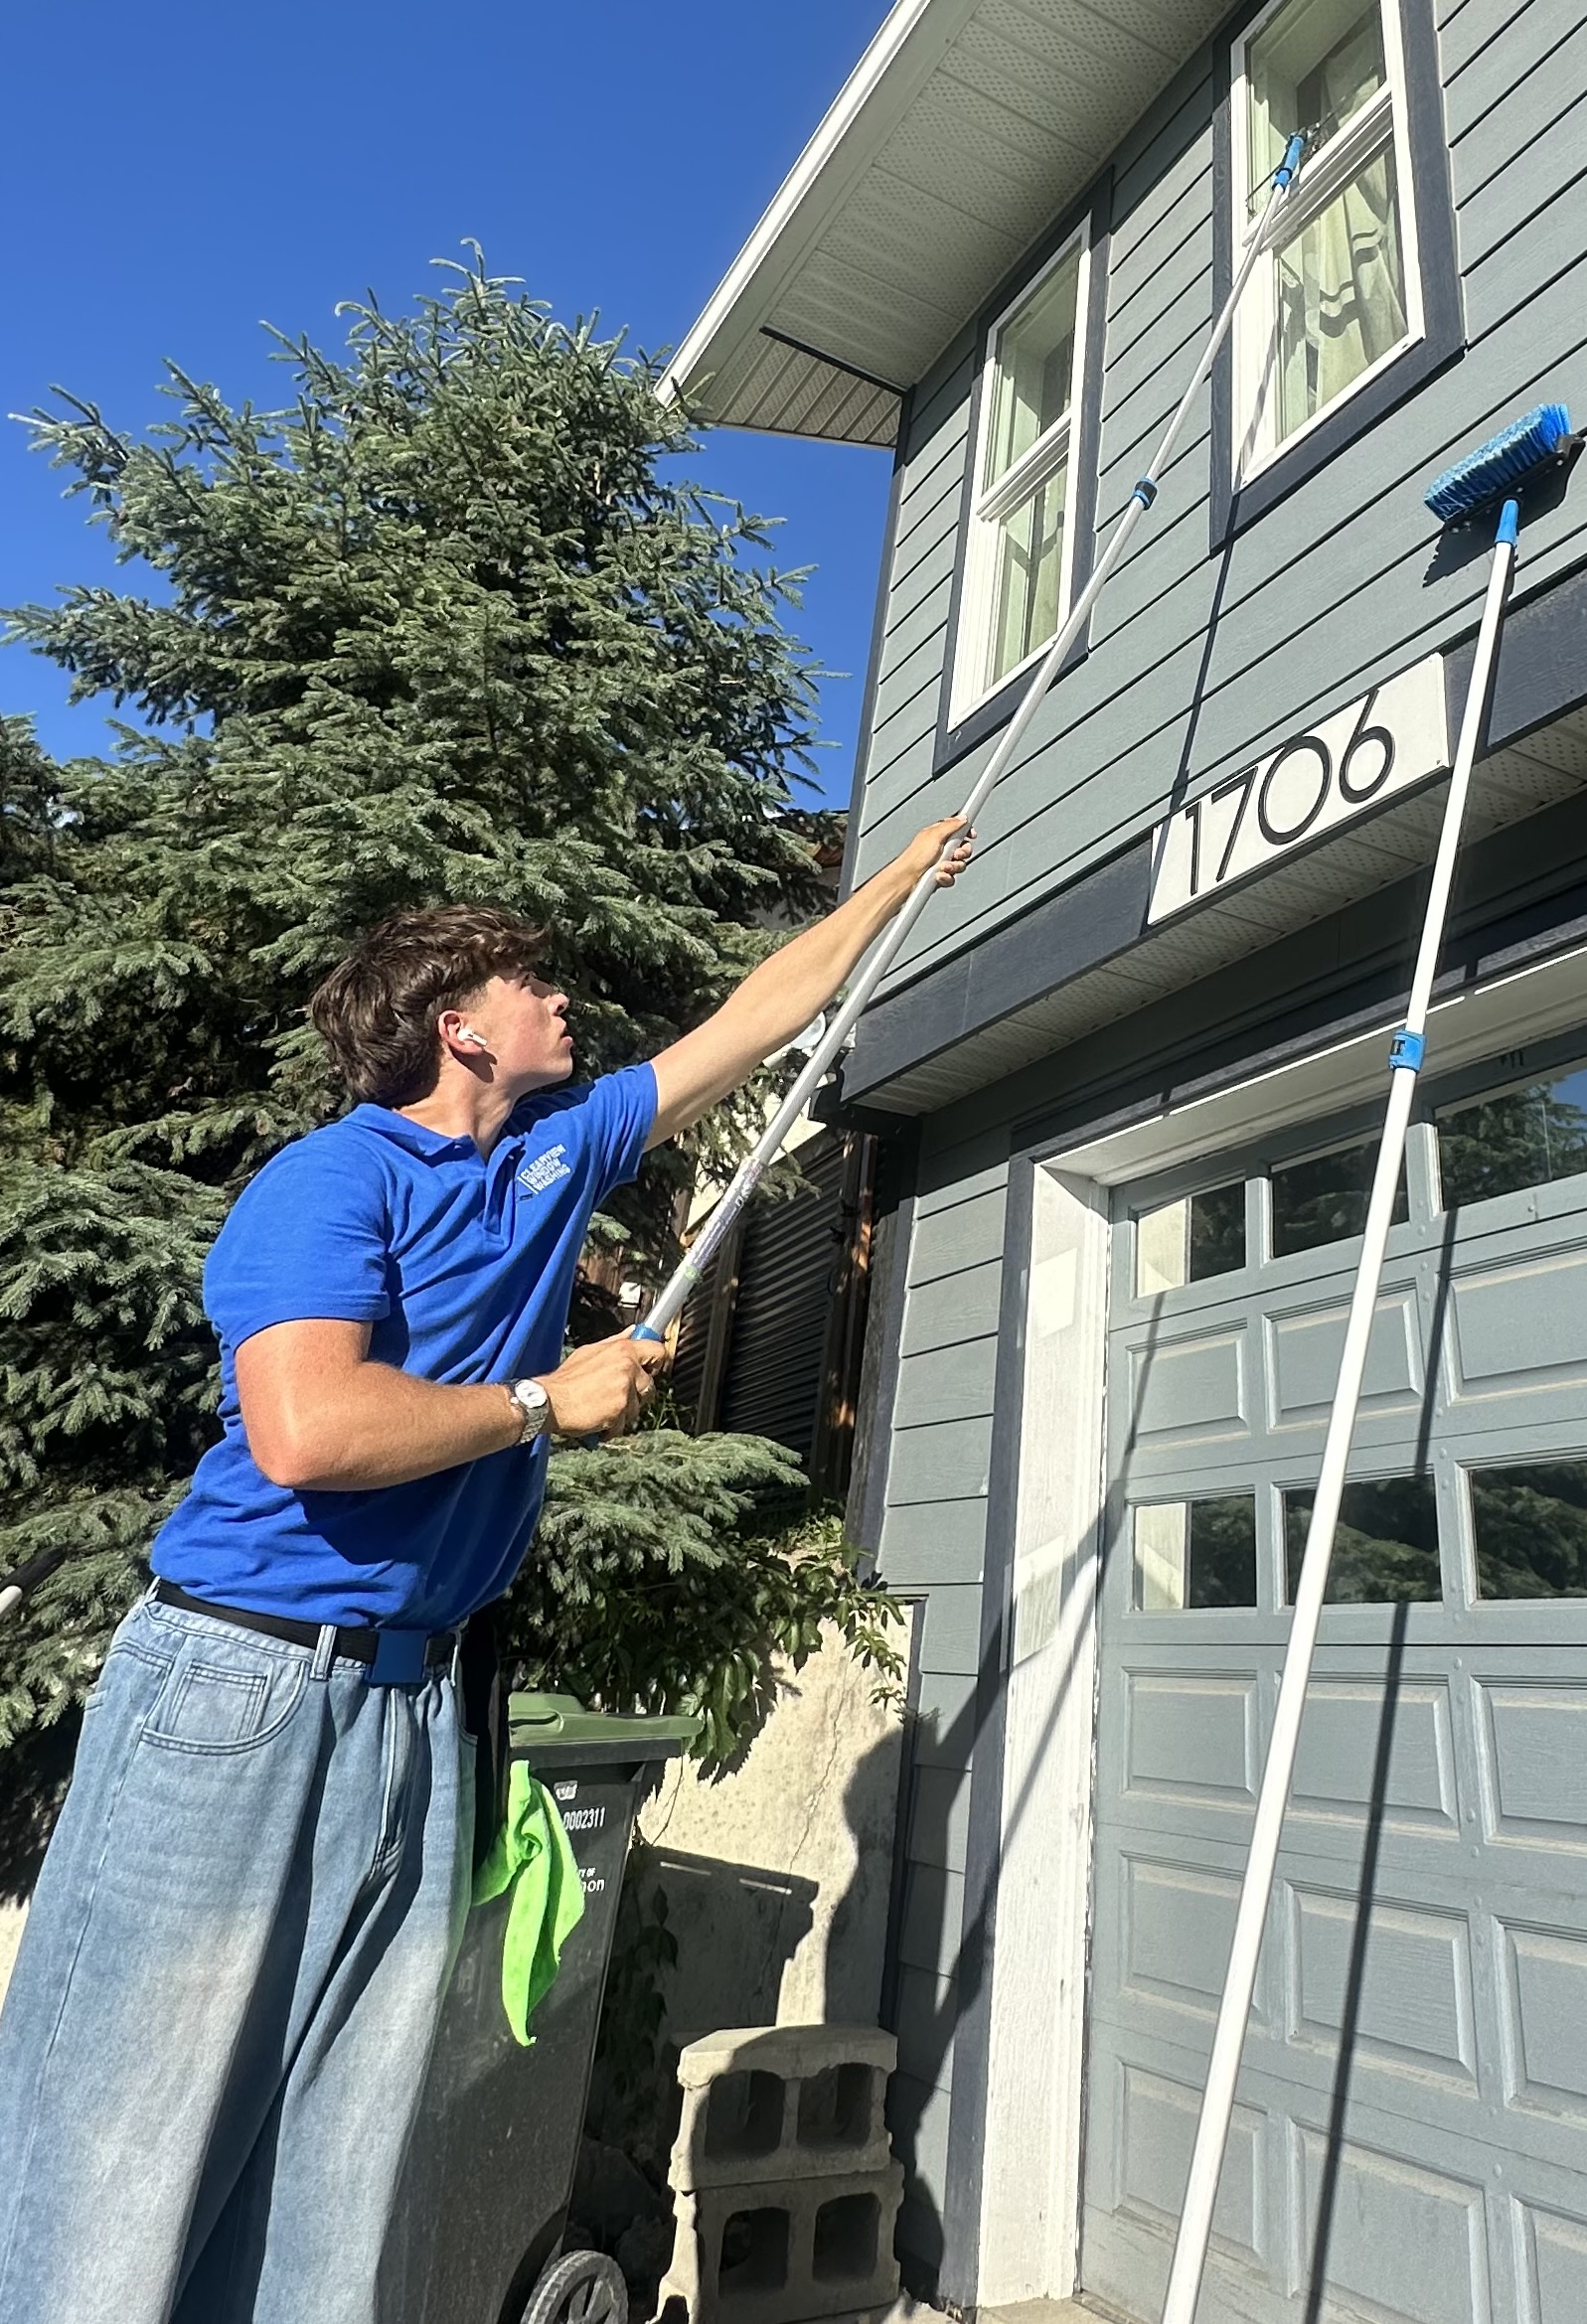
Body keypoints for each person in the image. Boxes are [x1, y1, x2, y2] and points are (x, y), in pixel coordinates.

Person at [0, 814, 972, 2324]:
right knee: (118, 2132)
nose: (564, 1004)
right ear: (459, 1025)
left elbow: (754, 1022)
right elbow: (309, 1430)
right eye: (533, 983)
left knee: (340, 2142)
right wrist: (540, 1399)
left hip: (411, 1701)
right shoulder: (331, 1184)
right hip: (243, 1681)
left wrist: (901, 880)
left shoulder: (550, 1153)